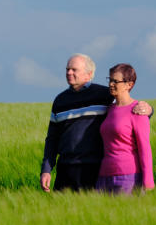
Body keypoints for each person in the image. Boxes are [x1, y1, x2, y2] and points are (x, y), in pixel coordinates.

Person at [40, 54, 150, 192]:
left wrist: (148, 110)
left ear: (89, 73)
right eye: (67, 69)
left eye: (74, 69)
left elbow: (127, 109)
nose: (69, 73)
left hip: (94, 169)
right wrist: (46, 169)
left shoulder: (104, 95)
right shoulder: (60, 100)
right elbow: (52, 139)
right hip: (65, 170)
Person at [95, 63, 154, 194]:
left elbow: (145, 148)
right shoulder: (109, 109)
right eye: (110, 80)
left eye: (115, 81)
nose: (111, 84)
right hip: (104, 176)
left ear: (129, 84)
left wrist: (148, 181)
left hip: (128, 177)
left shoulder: (138, 110)